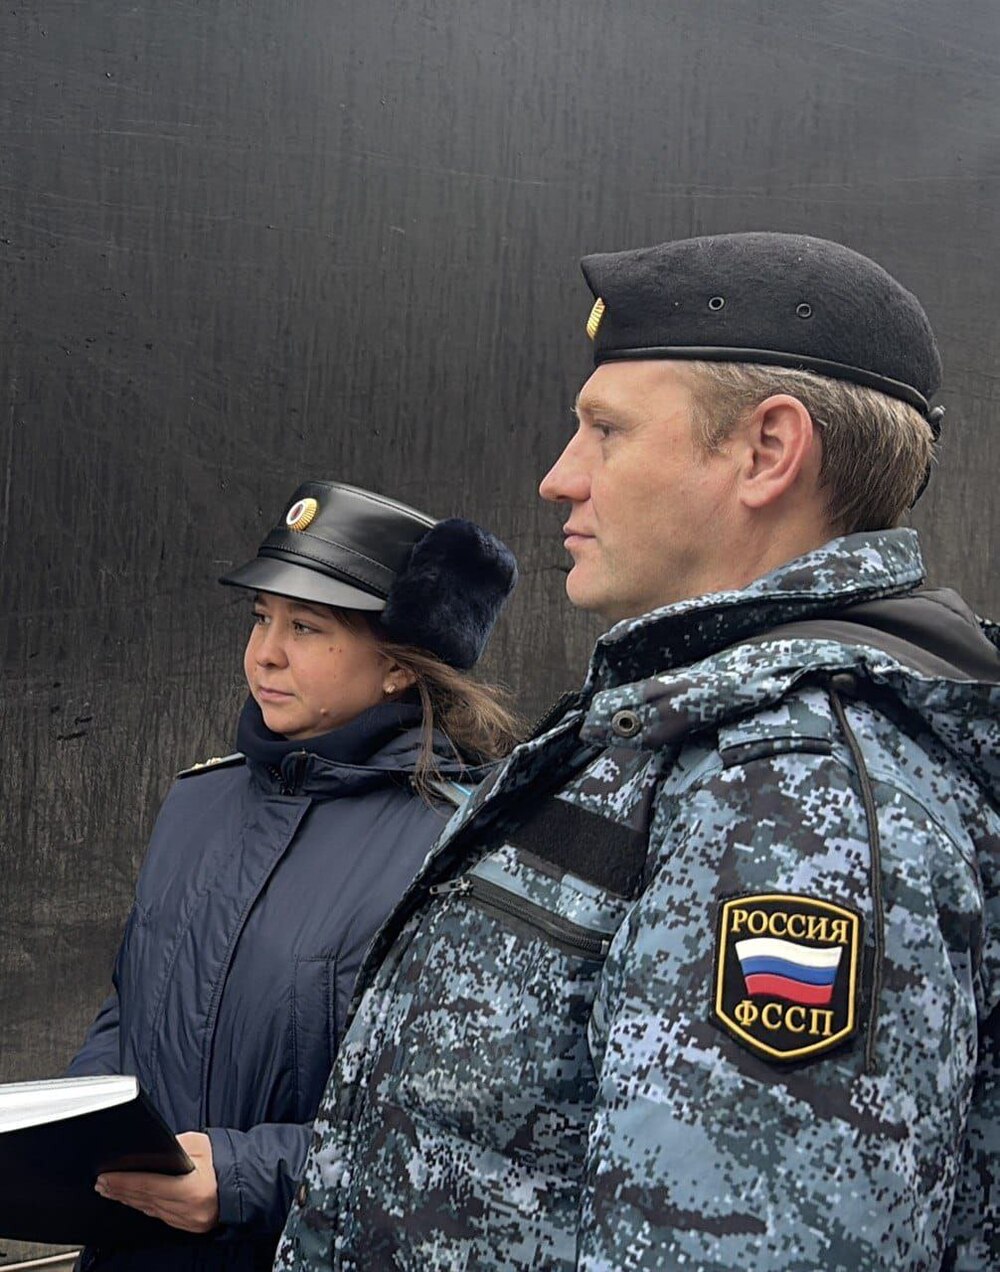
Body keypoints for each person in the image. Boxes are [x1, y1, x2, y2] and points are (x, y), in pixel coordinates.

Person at [274, 234, 1000, 1270]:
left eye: (605, 431)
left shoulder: (795, 801)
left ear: (767, 451)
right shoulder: (683, 732)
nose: (557, 478)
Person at [66, 480, 520, 1270]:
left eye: (306, 626)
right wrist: (82, 1125)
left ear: (397, 667)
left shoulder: (462, 848)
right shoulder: (198, 803)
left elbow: (467, 1129)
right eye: (261, 617)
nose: (265, 653)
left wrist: (247, 1180)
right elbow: (131, 1006)